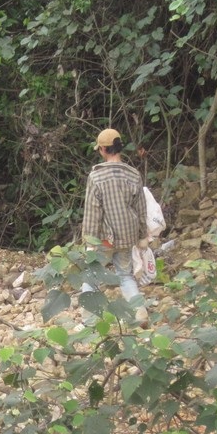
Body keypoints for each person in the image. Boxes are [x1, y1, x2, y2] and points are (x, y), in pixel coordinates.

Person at [79, 128, 150, 326]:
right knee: (125, 275)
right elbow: (141, 209)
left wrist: (90, 241)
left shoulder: (97, 177)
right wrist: (142, 235)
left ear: (102, 149)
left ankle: (89, 320)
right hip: (128, 235)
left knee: (92, 276)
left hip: (104, 239)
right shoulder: (133, 174)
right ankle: (140, 313)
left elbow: (93, 211)